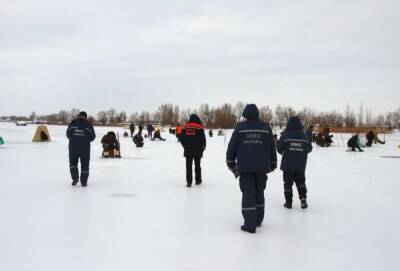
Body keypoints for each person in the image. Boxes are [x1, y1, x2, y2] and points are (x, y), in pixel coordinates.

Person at [226, 104, 277, 234]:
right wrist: (273, 162)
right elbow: (272, 146)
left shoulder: (240, 128)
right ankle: (258, 220)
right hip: (261, 167)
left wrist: (230, 162)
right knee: (259, 191)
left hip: (245, 167)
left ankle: (250, 224)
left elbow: (232, 146)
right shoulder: (266, 127)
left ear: (245, 114)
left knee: (248, 193)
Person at [277, 116, 313, 210]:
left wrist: (286, 152)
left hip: (287, 164)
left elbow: (279, 148)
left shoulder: (285, 135)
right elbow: (309, 149)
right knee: (300, 182)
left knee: (287, 183)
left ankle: (288, 202)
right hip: (300, 164)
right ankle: (303, 198)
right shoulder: (304, 135)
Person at [66, 111, 96, 187]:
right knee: (85, 165)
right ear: (86, 117)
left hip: (73, 148)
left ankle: (75, 178)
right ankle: (84, 182)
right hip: (85, 149)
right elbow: (93, 137)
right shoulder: (88, 125)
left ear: (78, 116)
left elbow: (68, 134)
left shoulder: (73, 123)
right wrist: (85, 139)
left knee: (73, 164)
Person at [180, 114, 206, 187]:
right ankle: (198, 180)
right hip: (198, 150)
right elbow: (203, 140)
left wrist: (185, 146)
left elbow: (181, 138)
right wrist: (202, 148)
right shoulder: (200, 128)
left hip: (188, 150)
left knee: (188, 167)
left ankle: (189, 182)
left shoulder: (185, 127)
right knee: (197, 166)